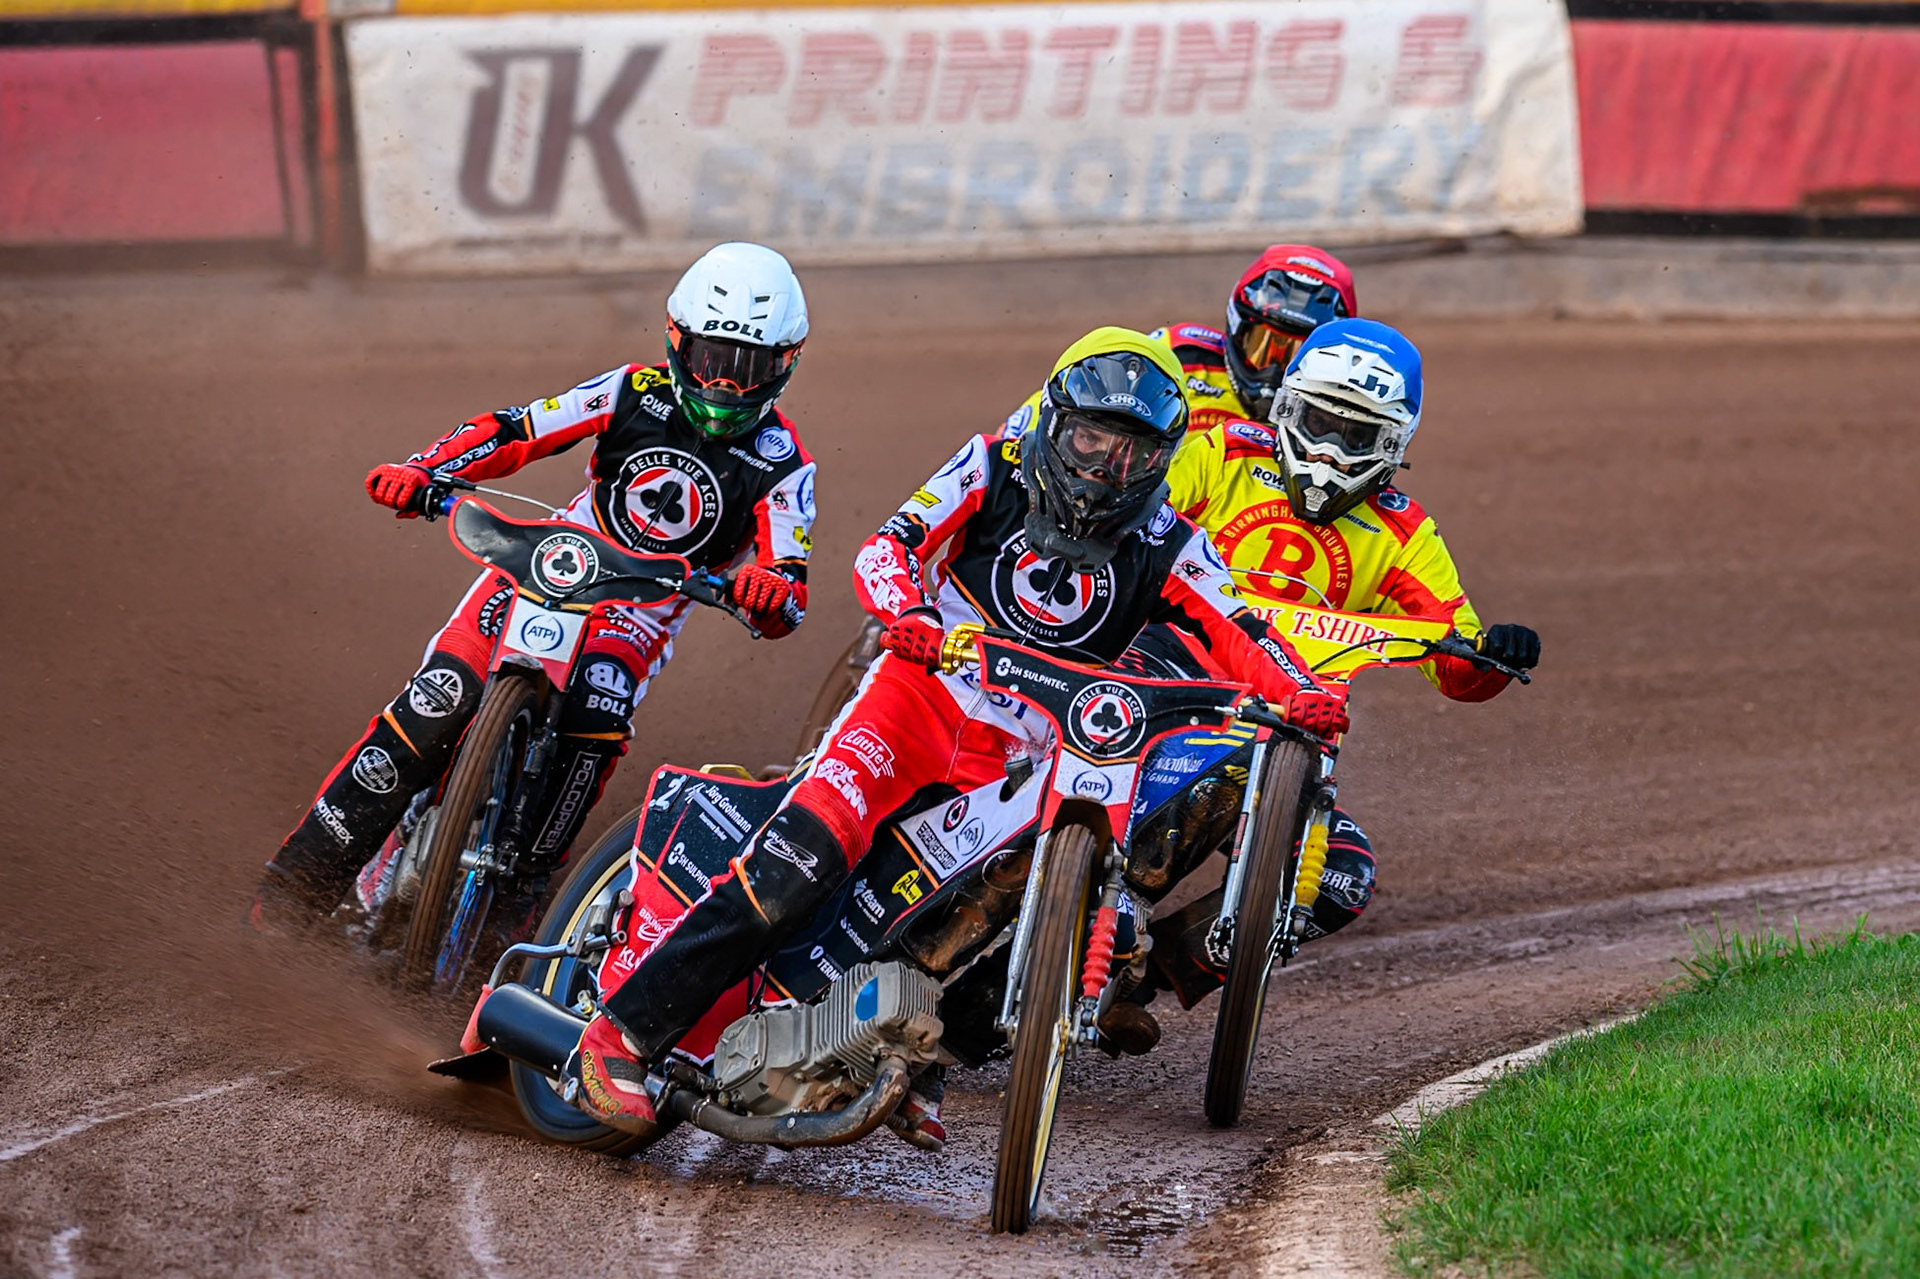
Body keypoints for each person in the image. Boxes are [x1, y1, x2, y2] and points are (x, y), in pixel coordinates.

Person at [564, 327, 1350, 1138]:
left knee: (998, 904)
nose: (1102, 469)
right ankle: (619, 1032)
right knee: (801, 856)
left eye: (1131, 455)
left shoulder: (1170, 543)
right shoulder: (988, 464)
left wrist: (1302, 692)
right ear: (1053, 420)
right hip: (914, 701)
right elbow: (888, 547)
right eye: (1088, 439)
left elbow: (1246, 631)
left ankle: (898, 1053)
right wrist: (905, 613)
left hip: (1022, 753)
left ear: (1161, 461)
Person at [254, 242, 818, 929]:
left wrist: (765, 592)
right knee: (439, 701)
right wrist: (425, 470)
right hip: (551, 561)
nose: (725, 385)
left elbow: (788, 578)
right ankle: (292, 893)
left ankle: (518, 899)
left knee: (598, 719)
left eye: (747, 368)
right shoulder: (628, 391)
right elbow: (519, 429)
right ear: (677, 341)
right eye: (711, 361)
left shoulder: (784, 463)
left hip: (642, 606)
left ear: (784, 363)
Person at [1123, 317, 1542, 1018]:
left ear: (1393, 448)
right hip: (1152, 688)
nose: (1327, 448)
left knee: (1341, 877)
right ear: (1285, 407)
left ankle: (1143, 979)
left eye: (1355, 436)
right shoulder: (1220, 454)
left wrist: (1495, 654)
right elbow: (1129, 520)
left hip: (1281, 729)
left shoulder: (1404, 534)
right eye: (1317, 421)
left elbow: (1456, 660)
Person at [1152, 244, 1358, 434]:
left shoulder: (1341, 413)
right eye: (1262, 346)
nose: (1272, 373)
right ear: (1238, 326)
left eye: (1296, 357)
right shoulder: (1178, 354)